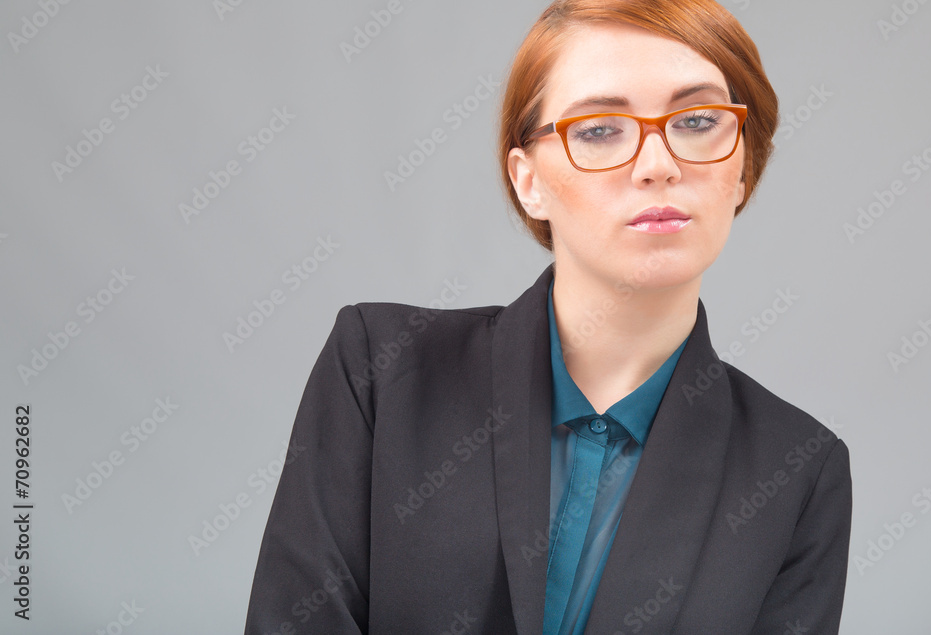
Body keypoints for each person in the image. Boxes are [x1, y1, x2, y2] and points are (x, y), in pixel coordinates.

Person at [243, 1, 853, 633]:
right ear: (527, 179)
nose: (658, 164)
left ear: (743, 169)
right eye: (599, 129)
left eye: (698, 119)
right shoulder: (382, 371)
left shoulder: (798, 469)